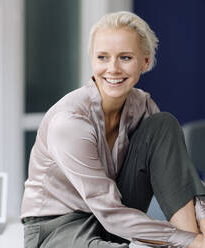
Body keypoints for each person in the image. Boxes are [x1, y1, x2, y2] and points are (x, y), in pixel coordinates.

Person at [21, 11, 205, 248]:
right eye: (103, 57)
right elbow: (108, 212)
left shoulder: (143, 106)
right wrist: (190, 241)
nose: (113, 69)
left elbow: (175, 174)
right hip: (59, 225)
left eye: (125, 58)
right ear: (93, 61)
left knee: (164, 124)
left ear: (145, 62)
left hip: (115, 211)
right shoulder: (69, 122)